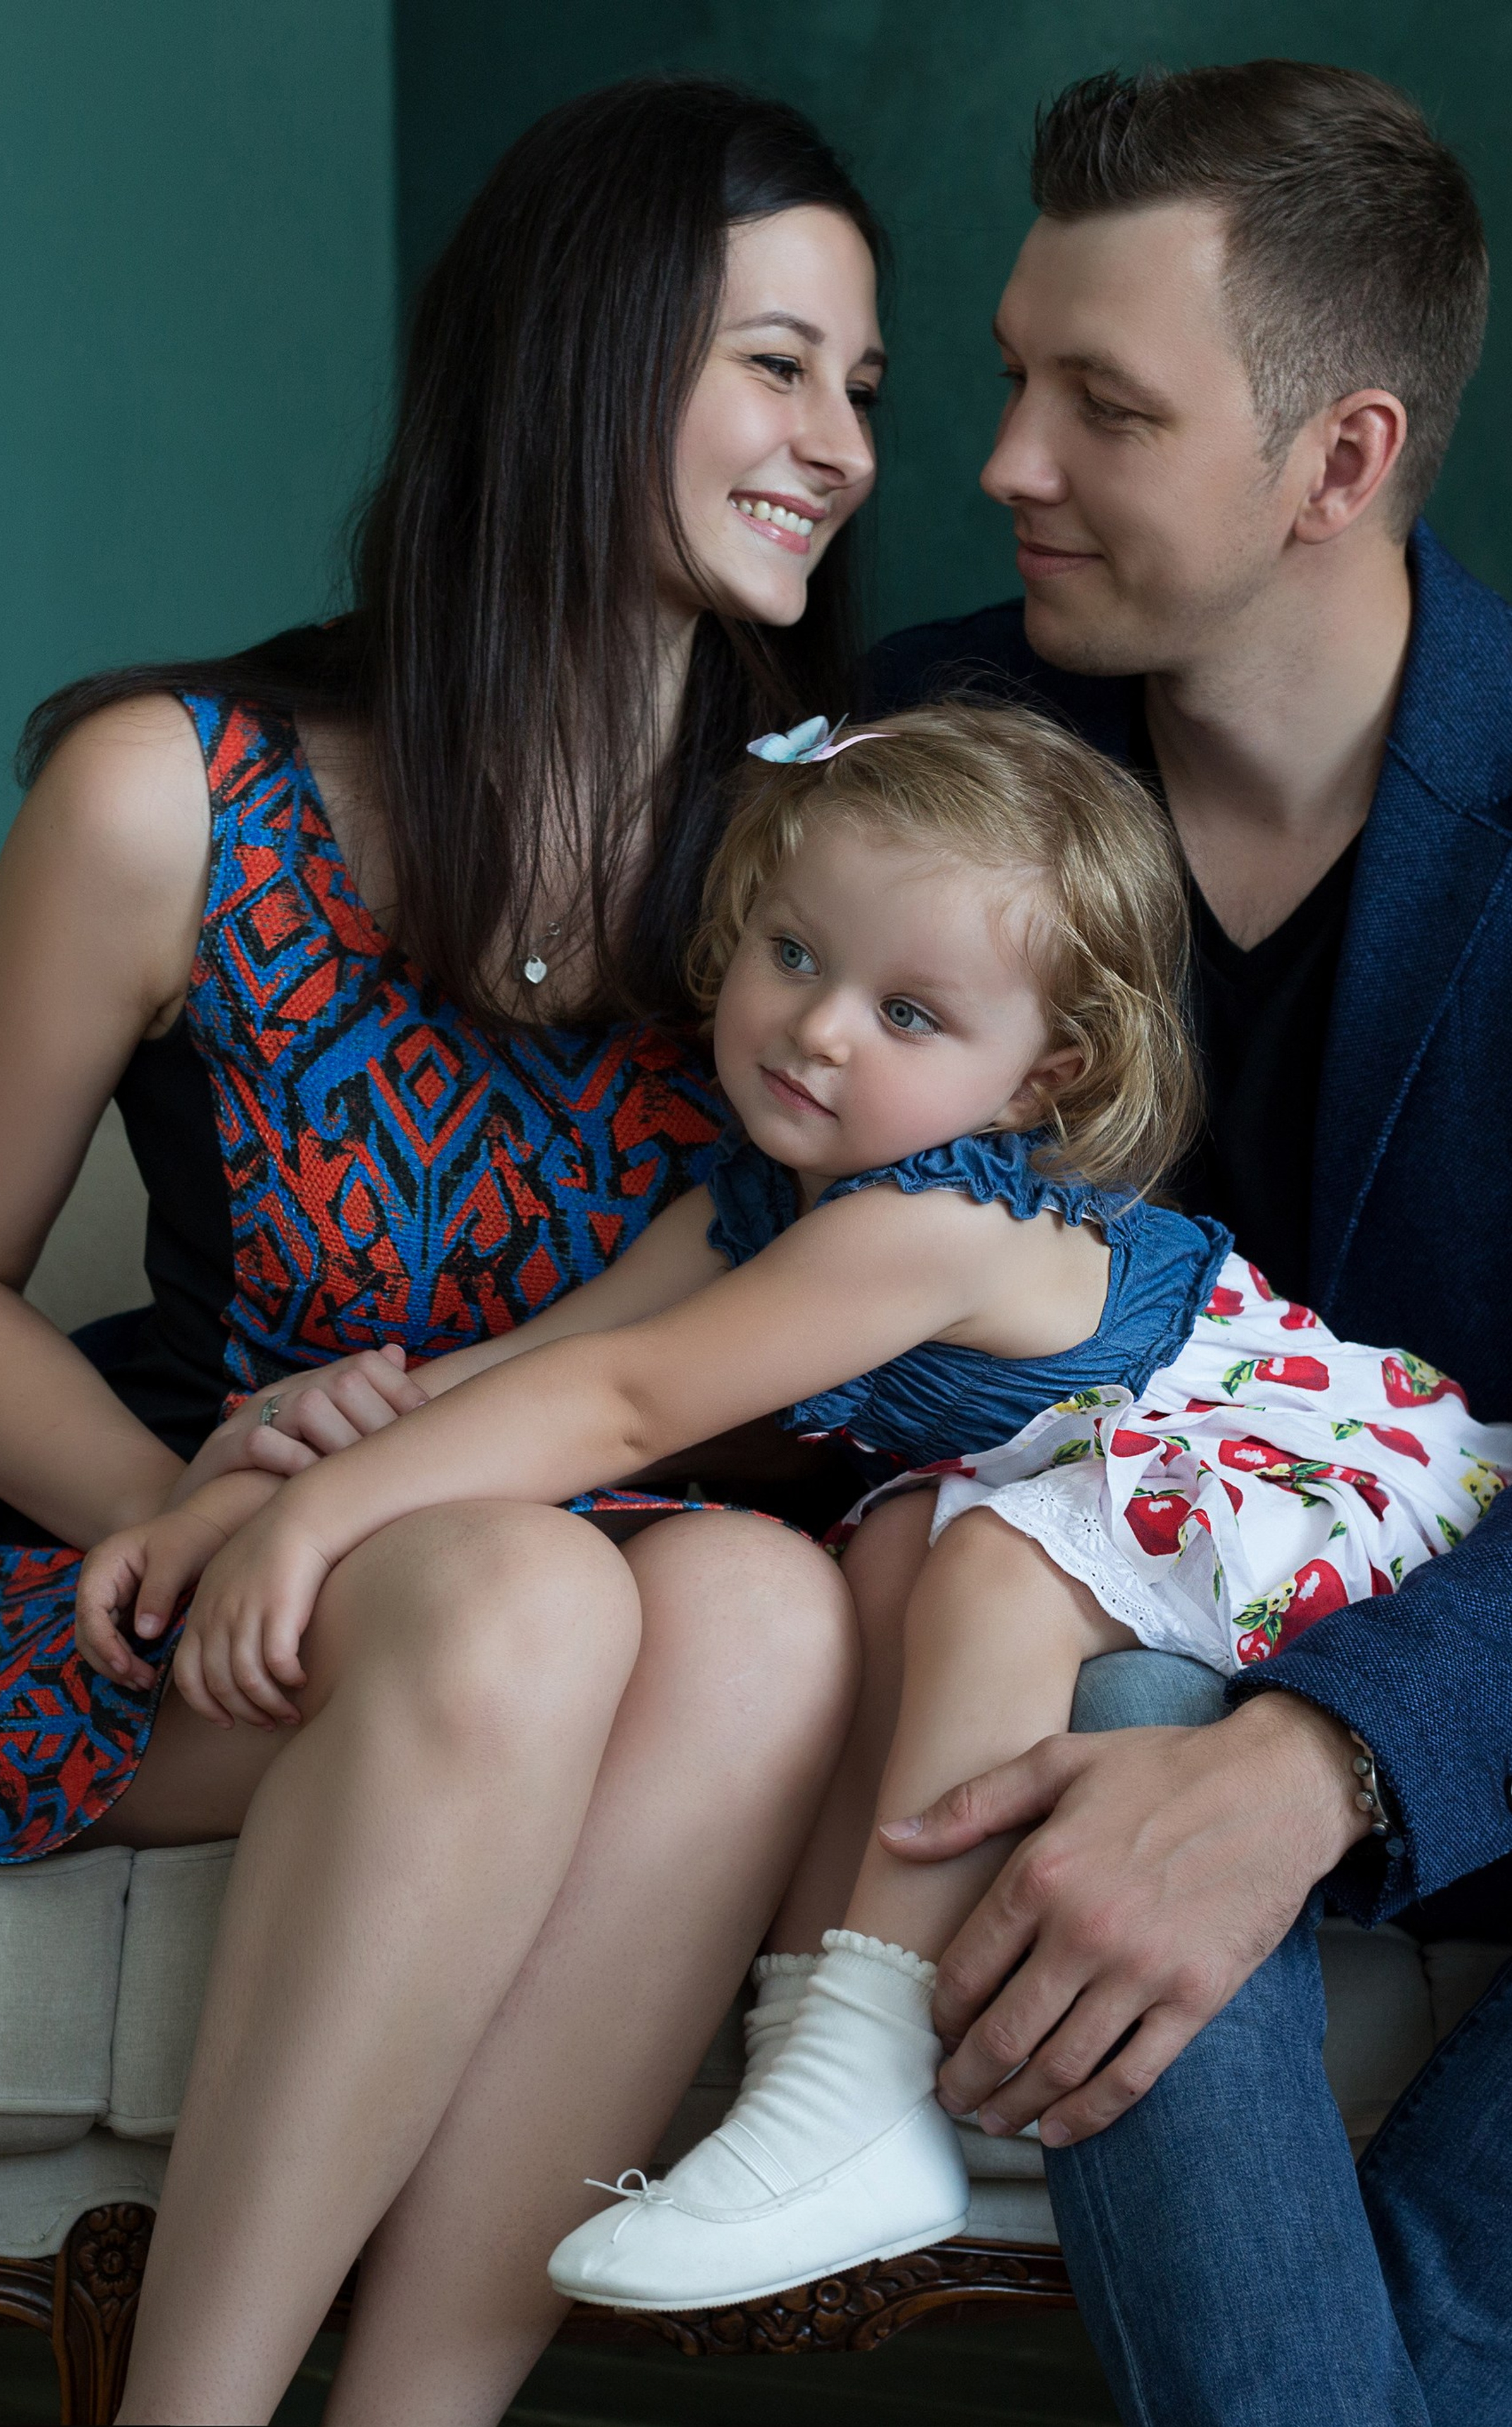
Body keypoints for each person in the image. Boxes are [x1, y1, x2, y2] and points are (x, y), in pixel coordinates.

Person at [0, 78, 887, 2426]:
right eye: (775, 361)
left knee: (750, 1605)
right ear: (584, 354)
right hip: (151, 1589)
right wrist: (181, 1523)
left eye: (864, 385)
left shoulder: (823, 858)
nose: (839, 441)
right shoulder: (175, 792)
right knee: (525, 1592)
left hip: (570, 1570)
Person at [73, 700, 1509, 2317]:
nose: (819, 1030)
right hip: (1116, 1492)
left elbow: (621, 1408)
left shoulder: (931, 1226)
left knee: (984, 1566)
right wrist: (252, 1475)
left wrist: (319, 1525)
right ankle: (797, 2076)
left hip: (1341, 1483)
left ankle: (859, 2093)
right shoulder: (757, 1200)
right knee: (890, 1550)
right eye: (792, 955)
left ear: (1045, 1072)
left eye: (908, 1012)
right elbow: (540, 1363)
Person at [861, 62, 1512, 2426]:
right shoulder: (922, 744)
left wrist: (1333, 1754)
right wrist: (42, 1423)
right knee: (1125, 1705)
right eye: (1014, 377)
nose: (1003, 458)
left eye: (1099, 405)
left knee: (1179, 1731)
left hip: (1480, 1690)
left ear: (1339, 461)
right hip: (1103, 1657)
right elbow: (661, 1198)